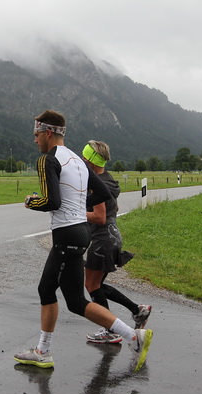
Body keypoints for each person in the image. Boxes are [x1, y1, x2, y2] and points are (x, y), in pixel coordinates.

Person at [13, 110, 153, 372]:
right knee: (69, 298)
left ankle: (130, 338)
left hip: (66, 234)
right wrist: (78, 204)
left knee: (55, 293)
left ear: (48, 132)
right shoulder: (77, 160)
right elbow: (104, 194)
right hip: (80, 233)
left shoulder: (47, 160)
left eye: (36, 134)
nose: (35, 140)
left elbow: (52, 201)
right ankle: (45, 351)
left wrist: (32, 202)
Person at [82, 140, 152, 344]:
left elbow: (99, 217)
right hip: (112, 236)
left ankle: (110, 330)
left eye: (84, 158)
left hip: (102, 239)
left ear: (90, 161)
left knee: (91, 285)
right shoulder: (108, 179)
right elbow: (115, 208)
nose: (81, 161)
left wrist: (75, 212)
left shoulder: (96, 183)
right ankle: (137, 310)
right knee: (96, 285)